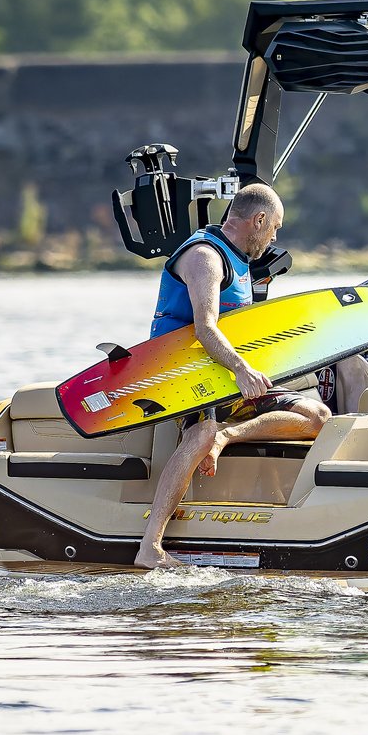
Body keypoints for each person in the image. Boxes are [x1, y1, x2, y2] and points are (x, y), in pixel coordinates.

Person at [135, 184, 333, 569]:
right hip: (180, 373)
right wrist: (241, 369)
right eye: (274, 227)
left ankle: (228, 435)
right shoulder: (205, 257)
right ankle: (150, 547)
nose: (274, 236)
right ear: (258, 220)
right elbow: (205, 328)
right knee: (201, 431)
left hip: (225, 376)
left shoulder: (240, 261)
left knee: (318, 417)